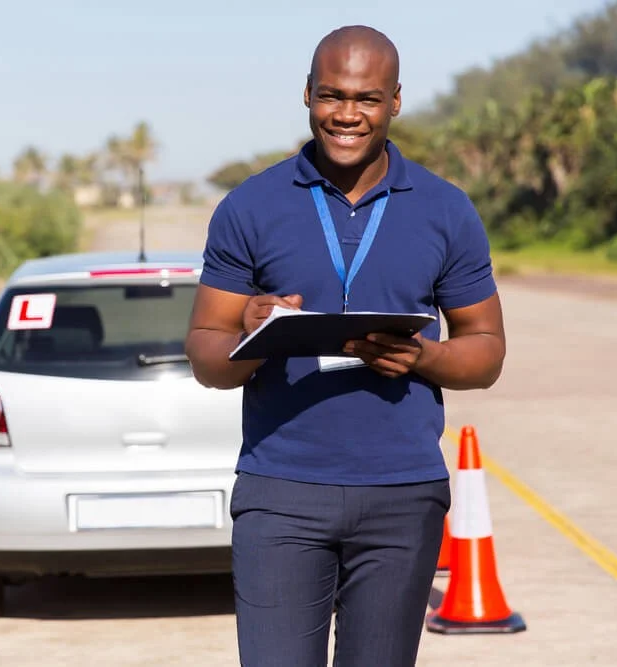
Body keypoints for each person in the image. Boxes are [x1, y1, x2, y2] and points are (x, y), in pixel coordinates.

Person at [184, 24, 506, 667]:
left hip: (402, 494)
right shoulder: (250, 207)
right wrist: (250, 328)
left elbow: (487, 350)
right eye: (332, 96)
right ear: (307, 94)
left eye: (367, 98)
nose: (347, 115)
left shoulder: (446, 210)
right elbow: (206, 358)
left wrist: (424, 357)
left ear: (395, 101)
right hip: (282, 493)